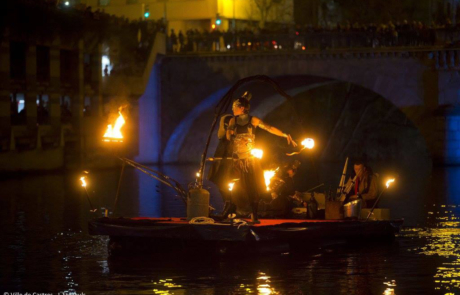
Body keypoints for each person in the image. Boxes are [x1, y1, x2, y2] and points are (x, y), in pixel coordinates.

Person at [226, 92, 297, 223]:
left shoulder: (253, 120)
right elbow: (228, 134)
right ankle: (232, 211)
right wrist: (231, 136)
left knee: (254, 187)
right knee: (235, 187)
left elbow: (269, 128)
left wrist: (284, 134)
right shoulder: (233, 120)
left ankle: (254, 215)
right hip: (237, 160)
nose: (232, 109)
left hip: (250, 160)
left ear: (241, 108)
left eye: (234, 107)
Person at [208, 114, 234, 218]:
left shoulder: (231, 131)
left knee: (223, 181)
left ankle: (230, 204)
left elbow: (229, 140)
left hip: (227, 157)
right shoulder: (223, 134)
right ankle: (227, 203)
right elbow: (223, 140)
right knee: (218, 180)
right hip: (221, 156)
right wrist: (215, 158)